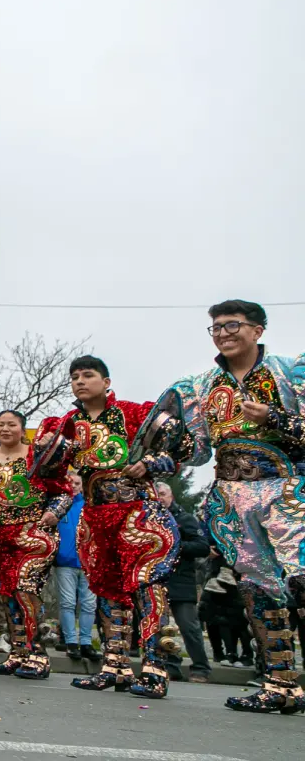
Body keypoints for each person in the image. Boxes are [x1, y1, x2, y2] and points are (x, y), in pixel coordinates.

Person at [154, 300, 305, 713]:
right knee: (258, 589)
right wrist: (168, 452)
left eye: (233, 324)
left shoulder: (292, 370)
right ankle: (282, 683)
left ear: (257, 330)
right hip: (232, 500)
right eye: (216, 327)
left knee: (301, 582)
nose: (223, 332)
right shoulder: (202, 386)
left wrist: (274, 419)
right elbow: (199, 451)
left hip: (291, 490)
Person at [33, 356, 181, 697]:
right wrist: (47, 452)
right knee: (107, 591)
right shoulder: (69, 423)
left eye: (88, 375)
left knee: (146, 588)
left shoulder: (132, 413)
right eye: (74, 377)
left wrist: (149, 462)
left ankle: (154, 669)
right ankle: (115, 666)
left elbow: (177, 451)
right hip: (97, 517)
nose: (80, 382)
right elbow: (47, 472)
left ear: (106, 381)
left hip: (138, 513)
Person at [0, 410, 70, 680]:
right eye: (0, 424)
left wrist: (55, 511)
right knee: (7, 594)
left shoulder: (38, 456)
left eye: (12, 424)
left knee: (26, 589)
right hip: (0, 537)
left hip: (34, 534)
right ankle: (17, 652)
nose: (5, 429)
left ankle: (38, 655)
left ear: (23, 429)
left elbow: (64, 491)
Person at [155, 482, 211, 683]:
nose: (159, 498)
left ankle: (201, 667)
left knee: (189, 627)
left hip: (181, 580)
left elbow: (202, 547)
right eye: (155, 494)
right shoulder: (150, 520)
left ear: (171, 496)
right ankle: (171, 665)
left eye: (162, 494)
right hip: (156, 580)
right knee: (160, 627)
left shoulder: (185, 519)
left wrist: (173, 546)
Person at [53, 472, 97, 662]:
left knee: (89, 604)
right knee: (68, 603)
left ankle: (86, 642)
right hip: (65, 562)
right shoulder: (58, 505)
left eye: (77, 483)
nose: (74, 486)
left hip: (88, 563)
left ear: (82, 485)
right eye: (70, 483)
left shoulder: (90, 506)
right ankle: (71, 642)